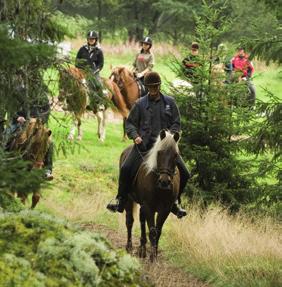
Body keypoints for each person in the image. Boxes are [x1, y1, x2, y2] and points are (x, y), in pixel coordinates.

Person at [106, 71, 190, 219]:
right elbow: (130, 123)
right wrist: (135, 136)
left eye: (155, 87)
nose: (153, 90)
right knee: (125, 168)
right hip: (144, 146)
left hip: (165, 148)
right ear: (146, 87)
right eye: (150, 87)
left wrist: (172, 137)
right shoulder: (139, 104)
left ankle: (175, 203)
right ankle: (120, 199)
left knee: (185, 172)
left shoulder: (170, 103)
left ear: (159, 86)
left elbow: (176, 123)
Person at [75, 30, 105, 109]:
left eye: (92, 39)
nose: (91, 40)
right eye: (89, 39)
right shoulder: (82, 49)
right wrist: (79, 69)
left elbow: (101, 64)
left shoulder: (99, 51)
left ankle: (100, 103)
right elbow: (77, 60)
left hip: (94, 72)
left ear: (96, 40)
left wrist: (94, 71)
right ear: (87, 39)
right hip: (82, 72)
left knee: (98, 84)